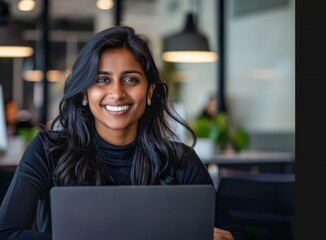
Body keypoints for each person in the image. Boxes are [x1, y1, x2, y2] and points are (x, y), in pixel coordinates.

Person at [0, 26, 249, 240]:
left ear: (150, 92)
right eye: (102, 80)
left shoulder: (181, 162)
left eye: (130, 80)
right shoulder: (48, 150)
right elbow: (6, 233)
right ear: (85, 92)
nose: (117, 93)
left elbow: (228, 234)